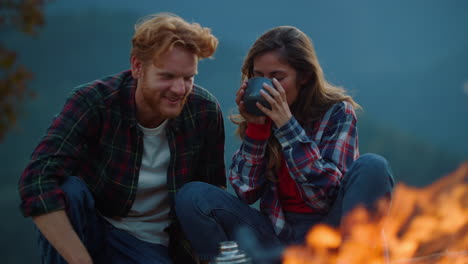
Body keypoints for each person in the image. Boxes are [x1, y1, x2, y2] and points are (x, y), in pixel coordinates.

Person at [175, 26, 395, 263]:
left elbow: (325, 195)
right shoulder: (262, 119)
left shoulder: (337, 113)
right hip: (278, 239)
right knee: (193, 196)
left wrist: (286, 125)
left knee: (373, 166)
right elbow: (245, 191)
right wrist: (257, 128)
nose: (268, 86)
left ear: (305, 76)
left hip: (332, 235)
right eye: (259, 76)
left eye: (277, 77)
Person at [18, 13, 225, 264]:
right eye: (167, 76)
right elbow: (37, 180)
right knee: (68, 190)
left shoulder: (204, 111)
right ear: (137, 67)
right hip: (91, 226)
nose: (180, 89)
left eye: (188, 77)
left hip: (151, 244)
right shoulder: (94, 102)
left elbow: (211, 196)